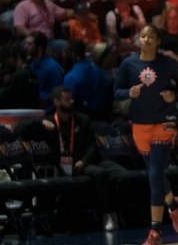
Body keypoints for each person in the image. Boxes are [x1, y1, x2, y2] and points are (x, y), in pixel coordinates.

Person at [115, 25, 178, 245]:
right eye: (143, 35)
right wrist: (128, 93)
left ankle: (155, 232)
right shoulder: (129, 64)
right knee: (155, 175)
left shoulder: (167, 63)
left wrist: (174, 94)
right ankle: (174, 205)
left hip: (164, 122)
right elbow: (115, 91)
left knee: (155, 173)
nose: (145, 39)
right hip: (140, 125)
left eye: (150, 37)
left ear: (158, 41)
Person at [43, 86, 126, 231]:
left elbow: (93, 145)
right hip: (71, 165)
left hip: (90, 160)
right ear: (56, 102)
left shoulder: (82, 119)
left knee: (123, 175)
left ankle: (123, 211)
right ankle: (108, 214)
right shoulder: (49, 122)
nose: (72, 101)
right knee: (100, 174)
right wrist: (38, 123)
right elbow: (21, 130)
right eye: (67, 99)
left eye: (71, 98)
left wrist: (85, 160)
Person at [62, 39, 111, 121]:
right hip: (101, 116)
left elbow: (67, 104)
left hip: (80, 119)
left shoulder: (72, 77)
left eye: (66, 52)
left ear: (74, 55)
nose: (63, 54)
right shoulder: (97, 68)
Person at [24, 30, 64, 112]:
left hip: (47, 111)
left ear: (39, 47)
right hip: (33, 108)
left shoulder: (53, 68)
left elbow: (57, 94)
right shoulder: (30, 64)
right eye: (26, 43)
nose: (25, 47)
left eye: (29, 44)